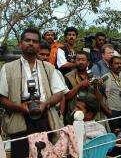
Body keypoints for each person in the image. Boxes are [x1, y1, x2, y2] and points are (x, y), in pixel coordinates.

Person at [0, 28, 66, 158]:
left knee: (44, 154)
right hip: (19, 118)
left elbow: (59, 93)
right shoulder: (8, 68)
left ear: (39, 45)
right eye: (27, 40)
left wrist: (45, 104)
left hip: (44, 117)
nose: (31, 43)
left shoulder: (48, 67)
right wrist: (19, 107)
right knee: (20, 154)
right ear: (20, 43)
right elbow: (1, 97)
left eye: (35, 41)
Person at [64, 51, 103, 124]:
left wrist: (96, 87)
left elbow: (99, 100)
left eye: (83, 60)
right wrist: (80, 85)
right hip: (75, 116)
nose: (80, 62)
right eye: (78, 60)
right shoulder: (68, 76)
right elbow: (65, 97)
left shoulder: (93, 76)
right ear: (75, 61)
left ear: (88, 62)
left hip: (91, 116)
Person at [104, 56, 121, 134]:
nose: (119, 65)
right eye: (116, 63)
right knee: (114, 135)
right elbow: (100, 96)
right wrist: (107, 111)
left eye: (120, 64)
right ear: (110, 65)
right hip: (114, 111)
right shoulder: (106, 77)